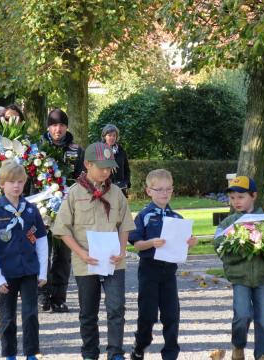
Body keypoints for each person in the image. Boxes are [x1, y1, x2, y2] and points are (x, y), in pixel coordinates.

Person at [52, 142, 135, 360]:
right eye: (102, 167)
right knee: (88, 312)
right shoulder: (74, 193)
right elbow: (62, 229)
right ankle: (90, 352)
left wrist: (122, 250)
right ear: (88, 164)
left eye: (109, 167)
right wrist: (80, 253)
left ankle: (115, 352)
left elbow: (125, 224)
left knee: (116, 308)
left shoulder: (116, 193)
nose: (107, 171)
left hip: (113, 260)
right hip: (85, 261)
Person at [128, 169, 198, 360]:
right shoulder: (143, 216)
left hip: (169, 272)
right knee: (148, 315)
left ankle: (170, 353)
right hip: (149, 270)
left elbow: (181, 247)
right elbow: (136, 244)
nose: (164, 193)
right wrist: (151, 243)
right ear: (149, 191)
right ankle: (140, 345)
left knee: (171, 315)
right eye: (159, 189)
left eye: (168, 189)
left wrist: (190, 243)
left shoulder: (177, 218)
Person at [0, 160, 48, 360]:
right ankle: (9, 353)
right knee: (7, 316)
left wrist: (43, 271)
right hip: (6, 273)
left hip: (29, 270)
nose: (17, 186)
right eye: (12, 182)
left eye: (20, 181)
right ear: (2, 184)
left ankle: (31, 352)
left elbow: (41, 241)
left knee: (30, 314)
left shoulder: (31, 211)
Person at [213, 176, 264, 360]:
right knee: (242, 315)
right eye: (232, 198)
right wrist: (246, 249)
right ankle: (238, 345)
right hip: (240, 279)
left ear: (254, 195)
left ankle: (262, 354)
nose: (236, 202)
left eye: (241, 197)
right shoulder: (227, 224)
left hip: (262, 278)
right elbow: (220, 249)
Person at [39, 108, 85, 313]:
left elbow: (83, 179)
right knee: (42, 253)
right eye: (54, 125)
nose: (58, 129)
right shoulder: (37, 148)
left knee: (63, 255)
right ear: (48, 127)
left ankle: (59, 297)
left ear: (67, 127)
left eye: (62, 125)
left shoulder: (77, 150)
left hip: (68, 208)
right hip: (41, 208)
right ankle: (42, 295)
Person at [101, 124, 130, 197]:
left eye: (114, 135)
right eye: (109, 135)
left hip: (120, 188)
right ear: (104, 136)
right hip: (104, 189)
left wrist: (126, 183)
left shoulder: (121, 151)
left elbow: (127, 170)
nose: (112, 137)